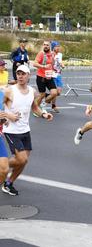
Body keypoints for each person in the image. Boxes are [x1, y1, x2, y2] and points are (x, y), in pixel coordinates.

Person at [1, 65, 53, 196]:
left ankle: (8, 183)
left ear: (28, 75)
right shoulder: (9, 91)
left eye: (23, 74)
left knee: (23, 161)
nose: (20, 76)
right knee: (22, 159)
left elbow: (34, 107)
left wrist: (44, 114)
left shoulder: (32, 91)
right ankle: (3, 167)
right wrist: (8, 116)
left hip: (25, 130)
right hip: (11, 130)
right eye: (18, 73)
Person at [32, 40, 57, 110]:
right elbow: (34, 64)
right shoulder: (41, 54)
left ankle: (44, 103)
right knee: (42, 94)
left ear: (50, 46)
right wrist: (43, 66)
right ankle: (35, 109)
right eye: (44, 45)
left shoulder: (52, 54)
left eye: (47, 45)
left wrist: (53, 70)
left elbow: (52, 64)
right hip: (41, 77)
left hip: (49, 76)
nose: (45, 46)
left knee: (54, 93)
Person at [50, 41, 64, 113]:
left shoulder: (60, 54)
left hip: (58, 75)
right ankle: (53, 105)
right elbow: (50, 63)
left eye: (58, 46)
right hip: (52, 75)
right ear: (53, 47)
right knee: (54, 92)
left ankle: (48, 97)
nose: (58, 48)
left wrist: (62, 65)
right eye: (56, 46)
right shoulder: (50, 54)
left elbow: (60, 61)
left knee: (58, 92)